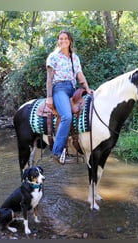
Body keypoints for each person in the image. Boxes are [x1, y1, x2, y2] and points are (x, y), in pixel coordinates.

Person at [45, 30, 92, 165]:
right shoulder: (53, 57)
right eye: (60, 39)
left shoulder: (74, 57)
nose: (63, 41)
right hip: (59, 88)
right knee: (67, 116)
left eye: (65, 38)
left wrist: (87, 89)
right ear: (58, 41)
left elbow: (79, 74)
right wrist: (49, 97)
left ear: (70, 41)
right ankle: (57, 152)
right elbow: (49, 79)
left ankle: (80, 146)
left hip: (72, 88)